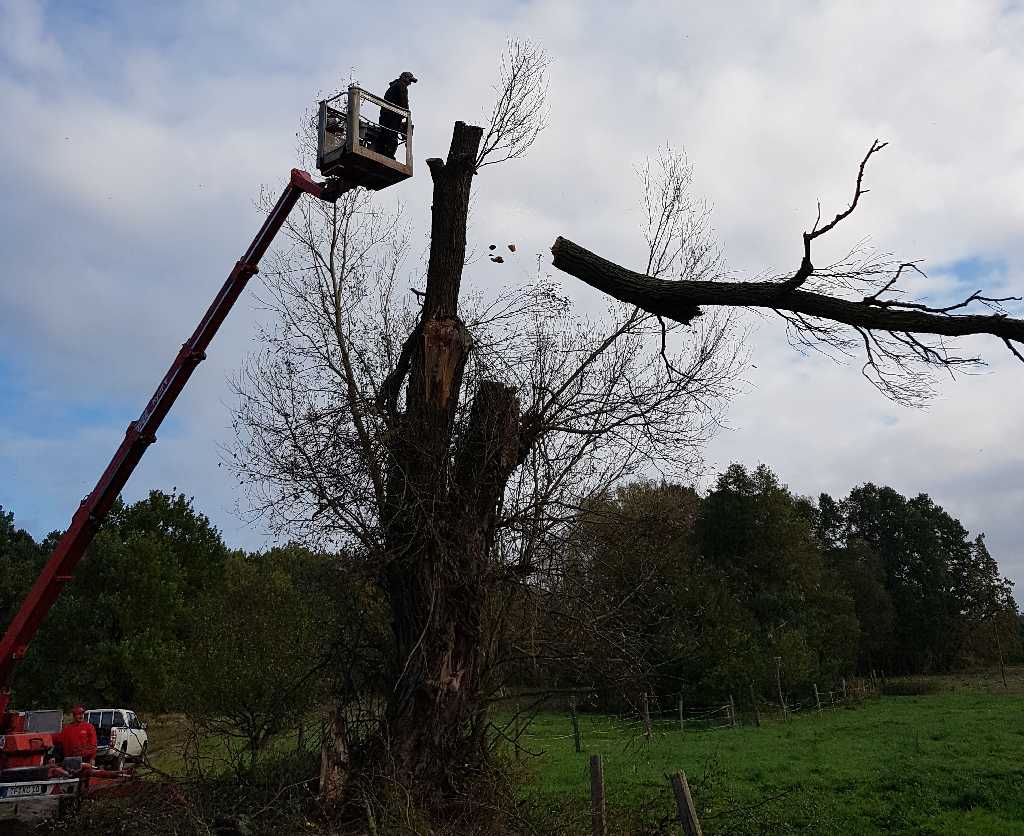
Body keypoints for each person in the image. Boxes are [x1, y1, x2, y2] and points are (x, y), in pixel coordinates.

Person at [376, 71, 416, 159]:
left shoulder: (394, 86)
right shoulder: (401, 86)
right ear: (405, 78)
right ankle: (388, 156)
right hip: (392, 117)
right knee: (392, 138)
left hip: (386, 116)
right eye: (410, 80)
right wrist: (407, 118)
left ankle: (381, 152)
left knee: (384, 135)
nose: (410, 83)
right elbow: (404, 104)